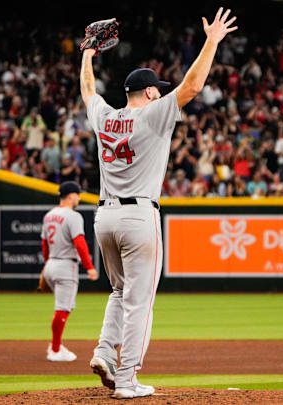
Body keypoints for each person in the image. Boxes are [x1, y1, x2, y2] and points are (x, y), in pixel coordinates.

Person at [80, 8, 237, 399]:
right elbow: (193, 86)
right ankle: (127, 379)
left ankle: (104, 353)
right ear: (150, 92)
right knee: (139, 303)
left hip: (104, 217)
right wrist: (212, 41)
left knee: (119, 292)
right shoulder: (153, 115)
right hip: (138, 217)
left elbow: (88, 91)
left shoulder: (105, 116)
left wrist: (86, 53)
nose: (162, 92)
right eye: (158, 89)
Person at [40, 181, 99, 362]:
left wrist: (46, 266)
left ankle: (56, 344)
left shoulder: (49, 215)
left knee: (64, 307)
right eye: (78, 195)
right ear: (72, 195)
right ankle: (55, 349)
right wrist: (89, 267)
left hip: (51, 264)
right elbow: (79, 242)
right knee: (63, 309)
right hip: (66, 266)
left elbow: (44, 245)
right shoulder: (73, 216)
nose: (79, 198)